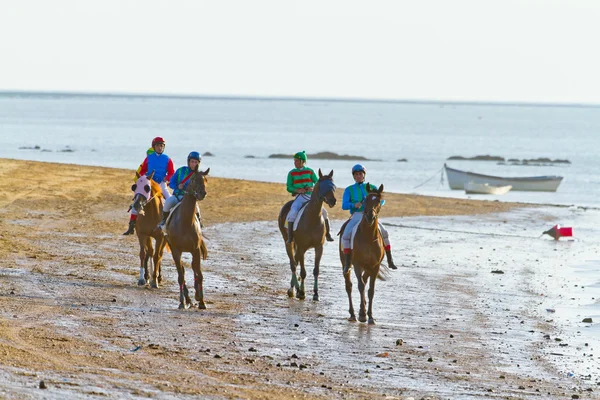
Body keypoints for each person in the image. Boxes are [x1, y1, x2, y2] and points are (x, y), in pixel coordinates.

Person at [341, 164, 397, 272]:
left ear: (364, 175)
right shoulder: (349, 189)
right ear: (354, 176)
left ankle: (390, 259)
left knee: (384, 232)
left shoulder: (372, 188)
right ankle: (348, 263)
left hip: (371, 215)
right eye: (356, 174)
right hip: (357, 215)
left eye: (360, 174)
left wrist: (377, 204)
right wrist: (353, 205)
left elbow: (382, 200)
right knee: (346, 235)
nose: (358, 176)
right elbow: (344, 205)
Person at [123, 136, 175, 235]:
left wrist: (166, 178)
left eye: (161, 146)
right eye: (158, 146)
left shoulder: (168, 159)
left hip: (161, 184)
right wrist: (143, 178)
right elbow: (142, 170)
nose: (160, 148)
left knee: (170, 201)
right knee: (137, 201)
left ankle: (170, 226)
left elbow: (172, 173)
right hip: (149, 183)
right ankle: (131, 226)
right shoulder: (148, 158)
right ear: (154, 147)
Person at [285, 150, 334, 244]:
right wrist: (297, 190)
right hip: (300, 197)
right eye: (294, 161)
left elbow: (318, 183)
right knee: (293, 212)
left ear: (303, 161)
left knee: (324, 212)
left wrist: (312, 188)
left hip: (311, 197)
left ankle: (327, 234)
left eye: (297, 161)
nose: (295, 163)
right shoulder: (291, 173)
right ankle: (290, 237)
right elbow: (289, 187)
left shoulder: (310, 171)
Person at [157, 151, 202, 232]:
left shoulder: (198, 175)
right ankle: (163, 222)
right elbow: (171, 183)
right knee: (168, 202)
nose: (193, 164)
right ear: (188, 162)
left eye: (196, 162)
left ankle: (199, 225)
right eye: (192, 161)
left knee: (197, 209)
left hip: (190, 199)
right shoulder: (180, 170)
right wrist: (177, 186)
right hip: (177, 196)